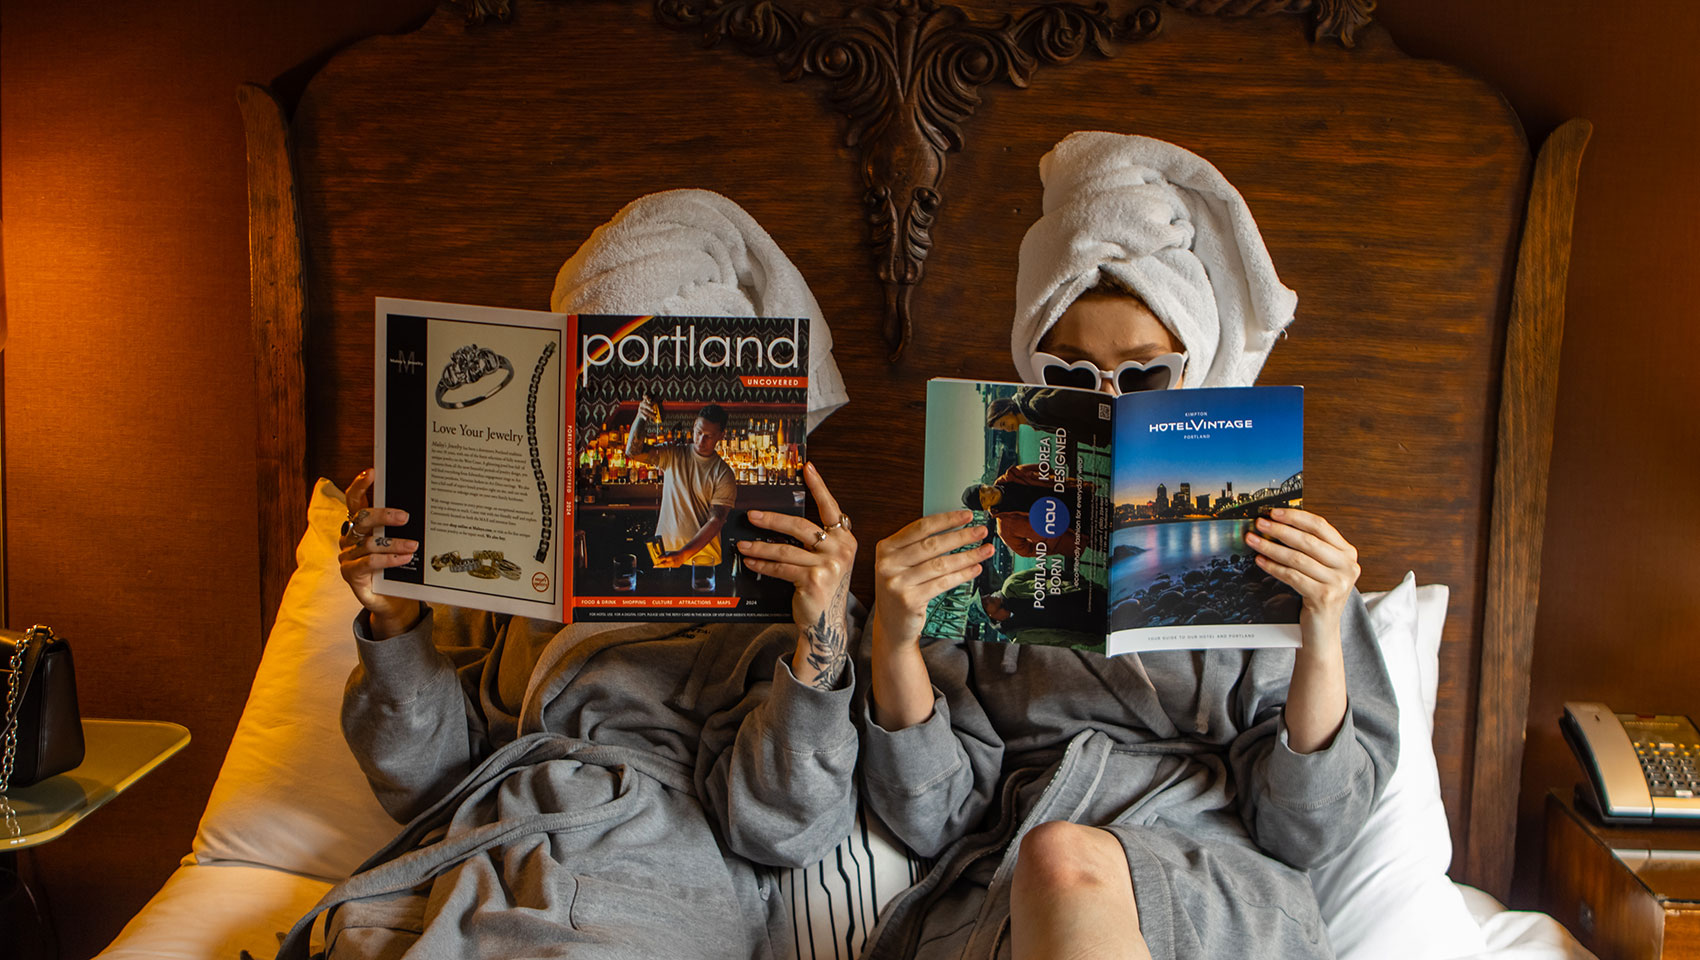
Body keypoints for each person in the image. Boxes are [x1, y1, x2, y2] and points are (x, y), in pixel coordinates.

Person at [273, 190, 857, 960]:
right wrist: (395, 621)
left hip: (655, 880)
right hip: (490, 861)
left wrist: (820, 641)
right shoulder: (521, 563)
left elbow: (783, 830)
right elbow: (422, 784)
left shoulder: (794, 583)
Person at [858, 133, 1398, 960]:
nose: (1109, 405)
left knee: (1062, 860)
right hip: (1021, 880)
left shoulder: (1280, 550)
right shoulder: (971, 538)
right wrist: (894, 641)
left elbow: (1308, 833)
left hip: (1218, 884)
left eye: (1145, 376)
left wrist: (1322, 630)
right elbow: (930, 818)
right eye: (1073, 378)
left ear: (1195, 371)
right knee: (1056, 858)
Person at [626, 399, 736, 568]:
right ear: (694, 425)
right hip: (665, 555)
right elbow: (633, 452)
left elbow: (716, 520)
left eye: (709, 436)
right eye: (699, 432)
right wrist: (641, 417)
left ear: (721, 435)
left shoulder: (723, 473)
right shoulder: (673, 454)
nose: (701, 440)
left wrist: (682, 555)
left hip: (703, 561)